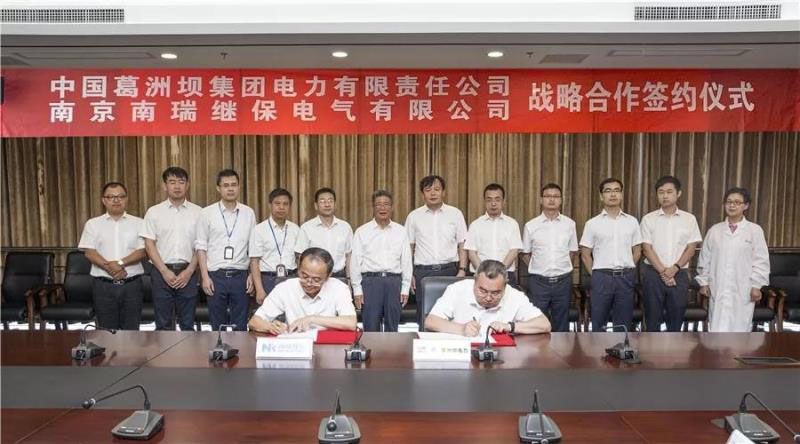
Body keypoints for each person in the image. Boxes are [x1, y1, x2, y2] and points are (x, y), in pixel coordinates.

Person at [696, 187, 770, 332]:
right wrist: (704, 282)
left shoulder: (754, 230)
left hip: (743, 288)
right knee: (717, 327)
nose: (732, 205)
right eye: (728, 202)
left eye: (737, 202)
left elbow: (761, 260)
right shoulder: (715, 230)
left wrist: (756, 285)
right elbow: (705, 259)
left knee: (740, 328)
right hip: (718, 286)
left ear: (745, 206)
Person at [140, 167, 202, 331]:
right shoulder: (154, 212)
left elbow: (201, 245)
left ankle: (188, 350)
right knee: (163, 324)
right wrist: (164, 271)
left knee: (187, 324)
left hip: (188, 273)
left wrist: (189, 271)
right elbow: (149, 244)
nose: (177, 186)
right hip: (161, 273)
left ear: (187, 185)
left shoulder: (199, 213)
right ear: (164, 185)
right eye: (172, 182)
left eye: (181, 182)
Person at [78, 182, 146, 330]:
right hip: (103, 286)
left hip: (132, 286)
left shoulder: (139, 223)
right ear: (104, 200)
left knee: (131, 332)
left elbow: (142, 251)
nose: (116, 200)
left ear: (126, 199)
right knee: (107, 332)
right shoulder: (93, 224)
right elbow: (89, 252)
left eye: (120, 196)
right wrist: (112, 269)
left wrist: (120, 263)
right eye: (111, 197)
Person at [195, 169, 256, 331]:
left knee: (240, 326)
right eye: (226, 185)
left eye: (234, 185)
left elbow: (253, 247)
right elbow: (201, 247)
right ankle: (218, 348)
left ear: (239, 187)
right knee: (217, 326)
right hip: (216, 277)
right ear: (218, 188)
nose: (230, 189)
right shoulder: (207, 213)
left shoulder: (248, 213)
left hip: (241, 277)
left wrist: (252, 275)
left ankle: (240, 349)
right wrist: (205, 277)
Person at [640, 176, 702, 332]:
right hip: (653, 275)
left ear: (678, 193)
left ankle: (673, 348)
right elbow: (646, 249)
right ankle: (651, 348)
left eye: (669, 192)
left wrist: (674, 269)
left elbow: (691, 248)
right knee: (652, 319)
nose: (665, 196)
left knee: (676, 319)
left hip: (679, 274)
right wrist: (664, 272)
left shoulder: (689, 219)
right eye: (661, 192)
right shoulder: (648, 219)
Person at [579, 178, 642, 332]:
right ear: (601, 196)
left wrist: (628, 268)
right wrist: (596, 274)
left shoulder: (632, 222)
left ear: (621, 195)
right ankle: (598, 348)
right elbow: (585, 255)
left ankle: (620, 347)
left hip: (625, 278)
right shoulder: (592, 224)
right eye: (608, 191)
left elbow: (637, 250)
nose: (613, 194)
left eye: (616, 190)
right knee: (598, 322)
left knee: (623, 323)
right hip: (602, 278)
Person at [424, 260, 551, 336]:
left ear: (505, 286)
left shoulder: (515, 295)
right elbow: (431, 321)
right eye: (483, 291)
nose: (488, 298)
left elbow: (544, 324)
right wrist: (462, 329)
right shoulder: (457, 289)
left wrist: (510, 327)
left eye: (496, 293)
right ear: (474, 281)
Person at [248, 247, 357, 334]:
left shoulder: (339, 288)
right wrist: (270, 327)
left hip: (327, 344)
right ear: (299, 269)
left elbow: (351, 323)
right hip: (295, 346)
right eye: (304, 276)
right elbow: (254, 322)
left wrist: (312, 319)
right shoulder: (285, 288)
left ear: (328, 276)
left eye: (316, 280)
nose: (309, 283)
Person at [351, 190, 413, 332]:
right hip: (370, 283)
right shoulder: (362, 231)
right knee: (370, 328)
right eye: (378, 204)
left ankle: (392, 348)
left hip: (394, 282)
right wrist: (357, 289)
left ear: (392, 207)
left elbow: (406, 261)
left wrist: (405, 287)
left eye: (386, 204)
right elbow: (355, 262)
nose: (382, 208)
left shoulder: (401, 231)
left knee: (393, 328)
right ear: (373, 207)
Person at [521, 183, 578, 332]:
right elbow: (525, 254)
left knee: (561, 323)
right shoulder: (531, 225)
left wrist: (562, 269)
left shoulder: (570, 224)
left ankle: (561, 348)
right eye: (547, 196)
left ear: (561, 200)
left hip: (563, 281)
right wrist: (538, 267)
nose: (551, 199)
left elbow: (572, 252)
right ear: (541, 200)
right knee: (537, 323)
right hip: (538, 282)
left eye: (555, 196)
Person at [405, 175, 468, 292]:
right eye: (428, 190)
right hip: (422, 273)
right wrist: (409, 274)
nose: (432, 193)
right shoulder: (413, 216)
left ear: (443, 192)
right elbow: (409, 248)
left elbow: (462, 244)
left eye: (437, 189)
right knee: (424, 304)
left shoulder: (455, 214)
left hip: (450, 271)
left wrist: (462, 270)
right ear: (422, 194)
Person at [464, 183, 523, 285]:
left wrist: (500, 272)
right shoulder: (475, 224)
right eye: (489, 200)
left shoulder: (512, 224)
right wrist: (483, 272)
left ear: (503, 201)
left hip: (506, 274)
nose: (493, 203)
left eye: (497, 199)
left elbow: (514, 250)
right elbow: (472, 252)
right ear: (484, 201)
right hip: (481, 275)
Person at [249, 188, 300, 304]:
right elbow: (254, 262)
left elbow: (299, 258)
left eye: (285, 204)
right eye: (277, 203)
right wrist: (259, 289)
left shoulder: (295, 229)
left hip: (291, 278)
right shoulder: (259, 230)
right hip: (268, 280)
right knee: (270, 315)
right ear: (270, 205)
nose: (281, 207)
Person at [294, 187, 353, 278]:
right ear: (316, 205)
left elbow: (349, 256)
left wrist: (349, 279)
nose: (327, 204)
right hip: (314, 277)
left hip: (339, 276)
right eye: (322, 201)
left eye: (330, 201)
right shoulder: (306, 228)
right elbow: (300, 256)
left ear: (335, 204)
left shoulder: (345, 227)